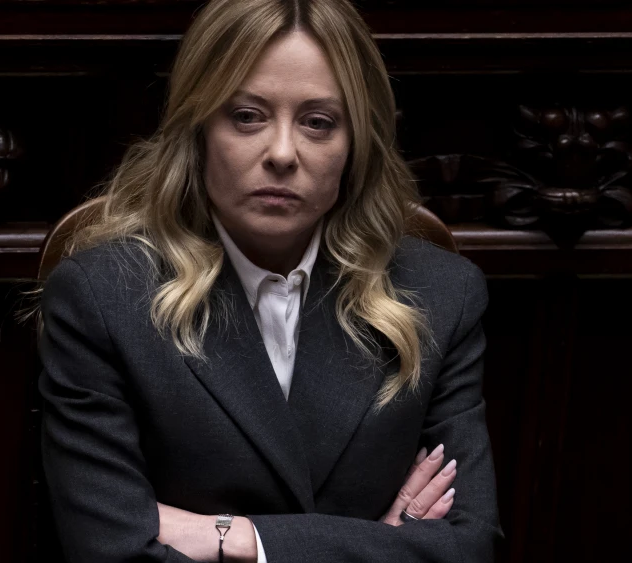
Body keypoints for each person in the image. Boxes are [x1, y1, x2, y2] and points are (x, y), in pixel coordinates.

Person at [35, 0, 502, 561]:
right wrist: (380, 544)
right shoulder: (102, 297)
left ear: (355, 144)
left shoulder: (442, 295)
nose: (283, 153)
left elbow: (469, 548)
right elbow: (108, 549)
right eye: (247, 116)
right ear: (199, 128)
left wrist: (232, 538)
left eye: (318, 122)